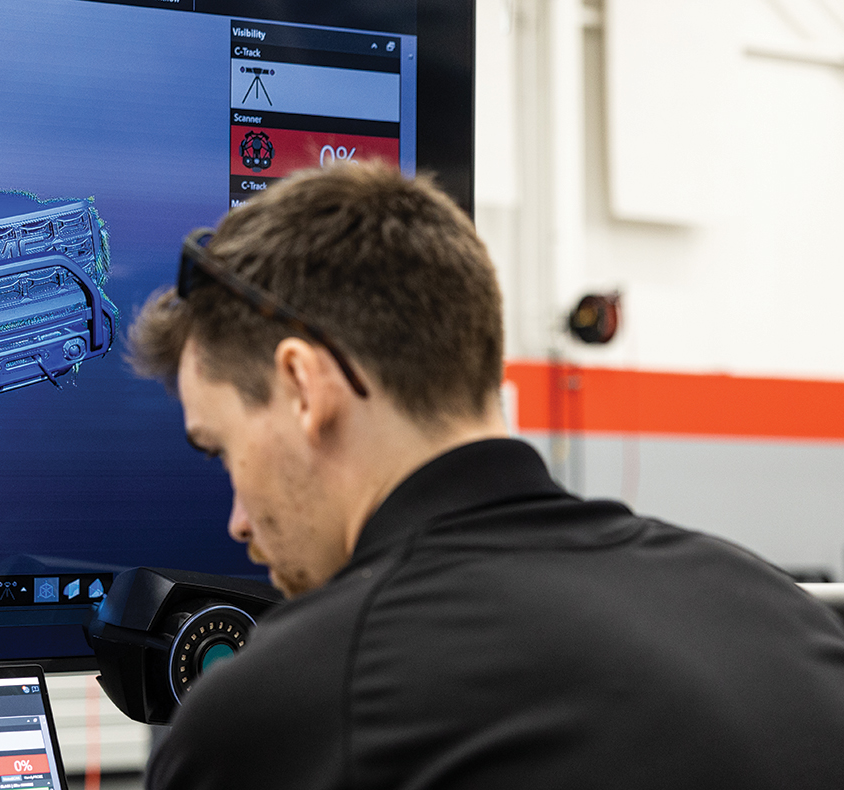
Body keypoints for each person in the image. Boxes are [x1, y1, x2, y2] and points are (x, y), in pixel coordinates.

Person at [126, 161, 844, 789]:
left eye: (219, 450)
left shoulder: (280, 712)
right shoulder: (780, 617)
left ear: (304, 387)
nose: (238, 523)